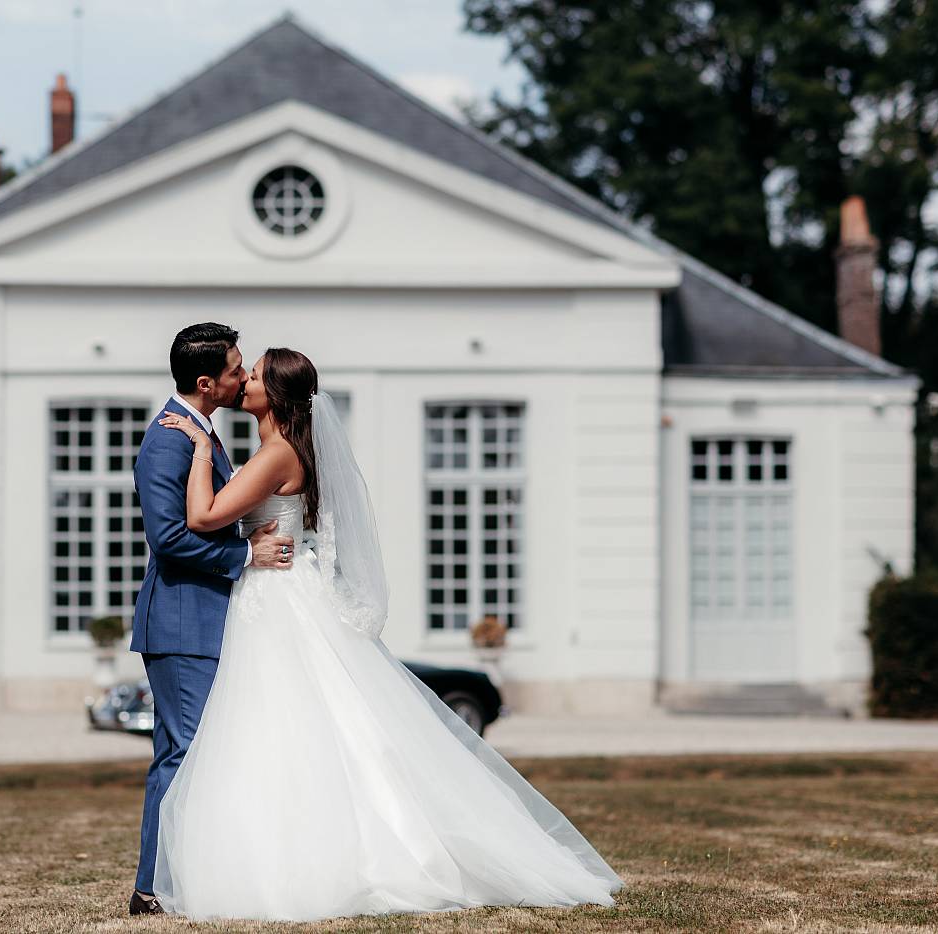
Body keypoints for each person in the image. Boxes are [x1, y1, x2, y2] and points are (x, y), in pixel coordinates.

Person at [149, 347, 623, 922]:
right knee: (299, 720)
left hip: (275, 596)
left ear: (273, 395)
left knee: (284, 720)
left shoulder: (275, 454)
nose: (243, 381)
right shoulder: (282, 448)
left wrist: (201, 451)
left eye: (252, 375)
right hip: (276, 589)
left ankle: (315, 858)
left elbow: (202, 518)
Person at [127, 323, 297, 915]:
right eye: (235, 369)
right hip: (181, 622)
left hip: (210, 618)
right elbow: (169, 538)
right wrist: (247, 554)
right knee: (185, 752)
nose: (242, 377)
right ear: (206, 382)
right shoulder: (167, 441)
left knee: (202, 752)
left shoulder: (201, 434)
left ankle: (186, 879)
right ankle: (152, 889)